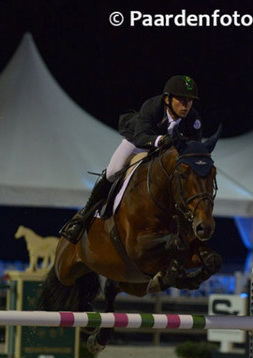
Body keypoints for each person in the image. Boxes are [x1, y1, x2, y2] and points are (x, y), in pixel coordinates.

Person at [61, 75, 202, 244]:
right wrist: (160, 140)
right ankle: (83, 217)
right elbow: (142, 136)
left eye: (190, 100)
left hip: (166, 153)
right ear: (167, 99)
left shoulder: (193, 119)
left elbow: (194, 148)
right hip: (138, 142)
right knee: (113, 171)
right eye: (181, 99)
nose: (186, 105)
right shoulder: (151, 107)